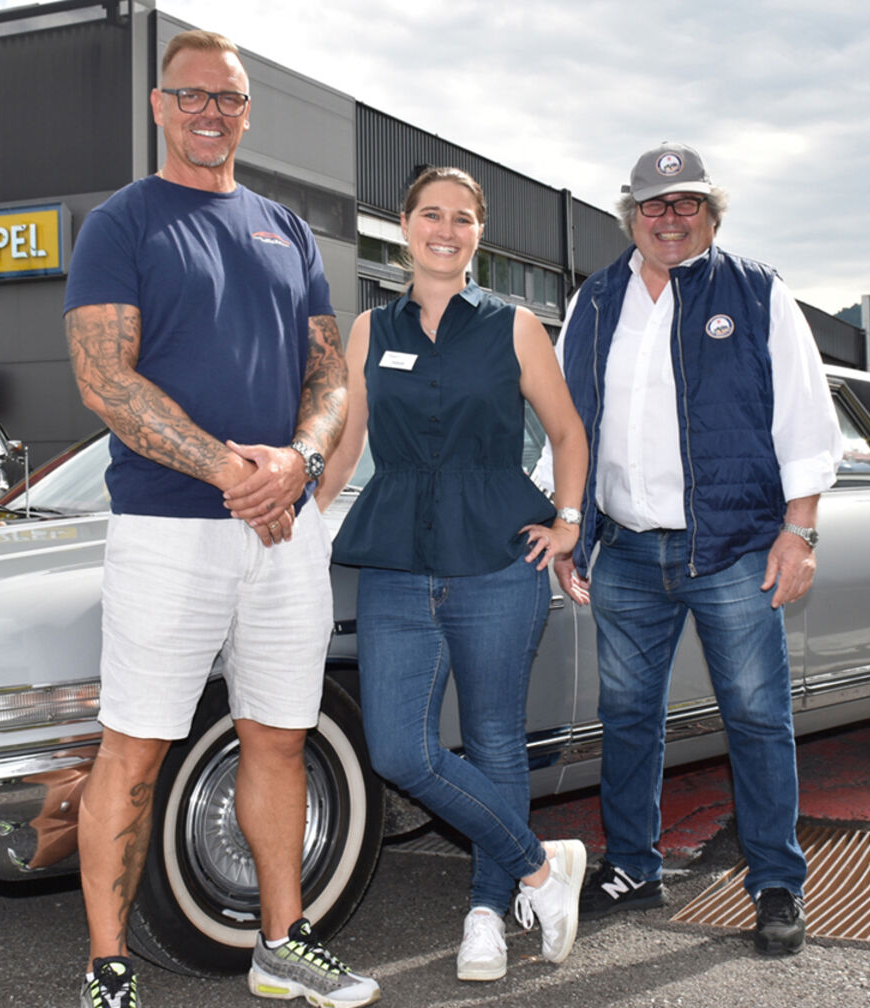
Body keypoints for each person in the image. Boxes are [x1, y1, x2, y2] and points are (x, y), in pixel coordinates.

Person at [61, 29, 376, 1008]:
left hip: (284, 529)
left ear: (247, 113)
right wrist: (227, 469)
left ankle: (282, 944)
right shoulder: (123, 224)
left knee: (281, 734)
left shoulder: (284, 228)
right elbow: (103, 378)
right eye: (192, 96)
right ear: (160, 107)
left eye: (228, 99)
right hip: (168, 529)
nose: (210, 112)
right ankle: (109, 968)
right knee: (138, 743)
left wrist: (300, 462)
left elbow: (328, 374)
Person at [548, 142, 842, 957]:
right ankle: (634, 867)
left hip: (737, 546)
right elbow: (571, 424)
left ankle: (777, 881)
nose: (668, 218)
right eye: (653, 204)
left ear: (711, 214)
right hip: (629, 553)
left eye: (685, 204)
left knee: (755, 716)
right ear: (630, 216)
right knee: (628, 717)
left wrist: (800, 530)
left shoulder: (755, 292)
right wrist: (572, 522)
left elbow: (805, 419)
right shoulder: (596, 299)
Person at [313, 166, 590, 983]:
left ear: (478, 234)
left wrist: (566, 523)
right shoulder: (370, 329)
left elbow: (568, 434)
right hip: (398, 561)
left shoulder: (514, 326)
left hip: (499, 558)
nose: (445, 228)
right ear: (402, 226)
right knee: (399, 749)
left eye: (462, 218)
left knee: (498, 738)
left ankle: (485, 914)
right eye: (430, 214)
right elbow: (349, 439)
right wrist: (301, 521)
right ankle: (541, 868)